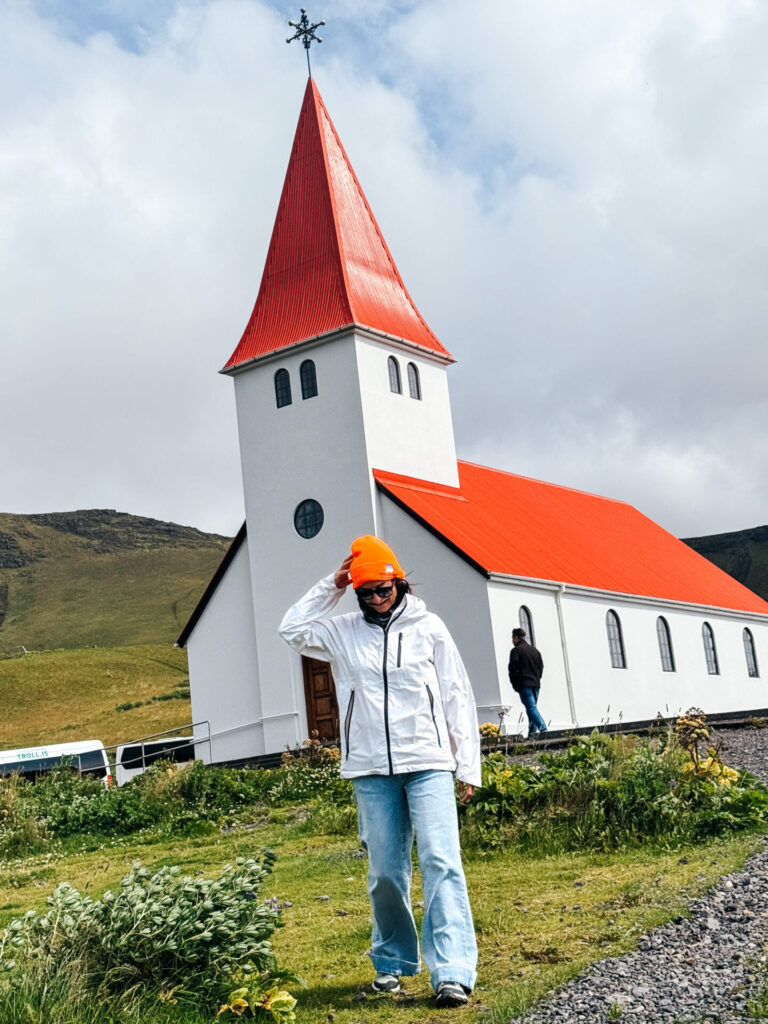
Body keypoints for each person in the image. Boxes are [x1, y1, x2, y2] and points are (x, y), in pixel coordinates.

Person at [279, 535, 481, 1009]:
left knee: (440, 861)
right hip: (370, 769)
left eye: (383, 588)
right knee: (385, 872)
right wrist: (332, 582)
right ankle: (391, 961)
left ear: (399, 582)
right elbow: (290, 628)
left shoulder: (430, 628)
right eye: (365, 591)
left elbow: (456, 693)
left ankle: (452, 972)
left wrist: (466, 763)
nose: (375, 598)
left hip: (428, 762)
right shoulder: (341, 631)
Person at [508, 627, 547, 737]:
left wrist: (515, 684)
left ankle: (543, 728)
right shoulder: (535, 651)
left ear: (516, 638)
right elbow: (541, 667)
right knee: (532, 708)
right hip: (535, 683)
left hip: (524, 684)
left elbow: (513, 669)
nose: (512, 641)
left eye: (512, 638)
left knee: (531, 707)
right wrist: (537, 678)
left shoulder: (516, 651)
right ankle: (532, 732)